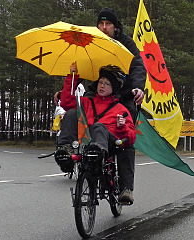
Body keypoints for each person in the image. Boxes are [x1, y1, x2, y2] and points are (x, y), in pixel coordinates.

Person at [53, 8, 146, 204]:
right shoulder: (91, 40)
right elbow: (79, 66)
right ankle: (68, 152)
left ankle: (126, 188)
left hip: (123, 93)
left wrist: (138, 88)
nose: (104, 28)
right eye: (101, 24)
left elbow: (138, 66)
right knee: (74, 111)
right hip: (96, 91)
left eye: (108, 25)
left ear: (115, 27)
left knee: (126, 141)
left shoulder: (126, 43)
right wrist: (65, 92)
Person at [55, 63, 137, 204]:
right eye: (100, 82)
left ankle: (125, 189)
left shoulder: (120, 109)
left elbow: (131, 138)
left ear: (114, 89)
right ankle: (65, 150)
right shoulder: (87, 102)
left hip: (107, 144)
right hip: (85, 139)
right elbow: (66, 102)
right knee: (71, 112)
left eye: (107, 84)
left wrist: (122, 127)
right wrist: (72, 77)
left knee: (100, 128)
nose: (102, 86)